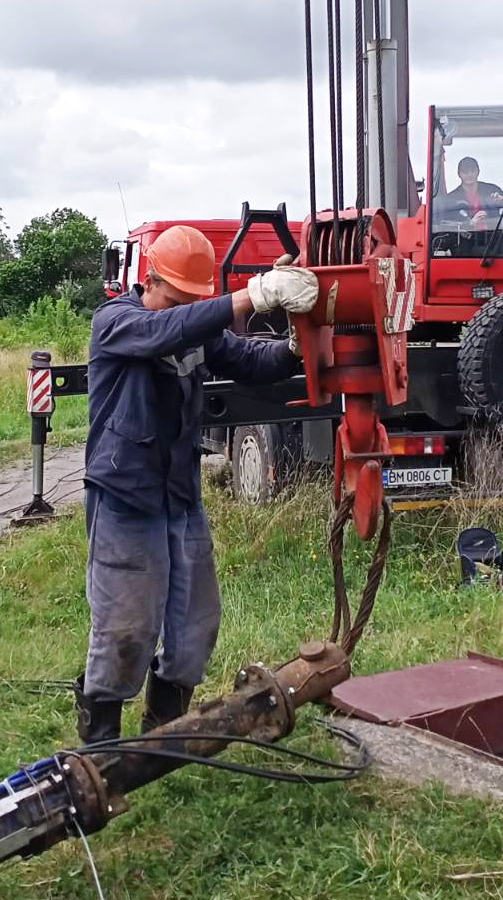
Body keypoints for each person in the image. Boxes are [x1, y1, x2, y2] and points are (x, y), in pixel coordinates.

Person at [74, 224, 319, 745]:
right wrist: (251, 295)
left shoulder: (194, 327)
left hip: (180, 497)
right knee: (126, 631)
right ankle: (103, 748)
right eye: (178, 297)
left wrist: (296, 345)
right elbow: (170, 331)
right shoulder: (116, 322)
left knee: (193, 631)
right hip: (126, 499)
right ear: (151, 278)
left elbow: (250, 360)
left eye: (193, 299)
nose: (185, 307)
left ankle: (161, 736)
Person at [442, 156, 503, 229]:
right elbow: (446, 225)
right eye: (465, 172)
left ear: (478, 172)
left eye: (473, 171)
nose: (470, 174)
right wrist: (470, 223)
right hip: (464, 239)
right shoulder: (451, 199)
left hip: (495, 237)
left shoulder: (492, 190)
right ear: (459, 174)